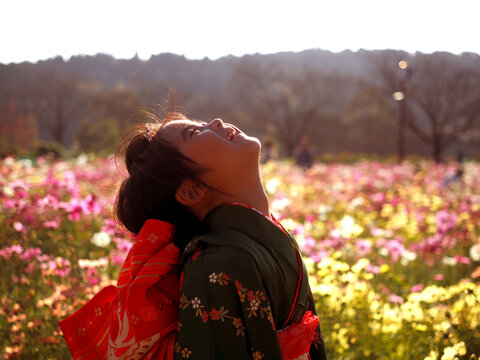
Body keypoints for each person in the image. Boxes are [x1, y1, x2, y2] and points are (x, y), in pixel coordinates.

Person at [60, 111, 327, 360]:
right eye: (195, 133)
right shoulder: (216, 262)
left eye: (200, 125)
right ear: (190, 191)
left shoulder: (255, 237)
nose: (217, 121)